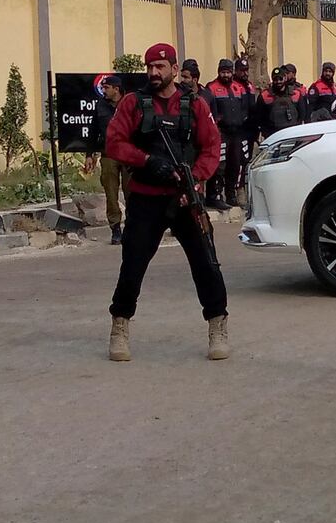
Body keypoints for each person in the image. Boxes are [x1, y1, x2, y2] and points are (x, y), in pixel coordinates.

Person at [103, 43, 228, 362]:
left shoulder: (195, 104)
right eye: (149, 67)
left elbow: (211, 148)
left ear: (174, 69)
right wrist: (146, 160)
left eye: (160, 67)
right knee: (132, 265)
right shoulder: (134, 102)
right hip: (145, 197)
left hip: (186, 197)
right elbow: (115, 143)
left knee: (206, 264)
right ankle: (120, 326)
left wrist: (195, 180)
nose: (153, 73)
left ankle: (217, 325)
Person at [205, 58, 253, 209]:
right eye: (223, 72)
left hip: (237, 133)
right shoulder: (211, 88)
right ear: (219, 72)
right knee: (219, 165)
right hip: (221, 133)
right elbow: (209, 111)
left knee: (236, 163)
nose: (226, 75)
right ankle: (215, 195)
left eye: (228, 72)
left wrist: (242, 120)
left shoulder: (238, 88)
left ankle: (231, 195)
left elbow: (245, 108)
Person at [88, 76, 126, 244]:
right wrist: (89, 154)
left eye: (106, 88)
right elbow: (92, 130)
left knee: (132, 191)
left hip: (129, 154)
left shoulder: (129, 103)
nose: (103, 91)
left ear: (116, 89)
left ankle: (133, 228)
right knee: (111, 192)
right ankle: (115, 228)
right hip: (108, 153)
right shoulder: (101, 105)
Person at [254, 66, 305, 140]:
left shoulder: (296, 94)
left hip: (292, 134)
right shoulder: (264, 96)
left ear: (285, 78)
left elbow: (302, 115)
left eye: (280, 79)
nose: (278, 82)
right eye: (275, 79)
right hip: (273, 135)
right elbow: (259, 117)